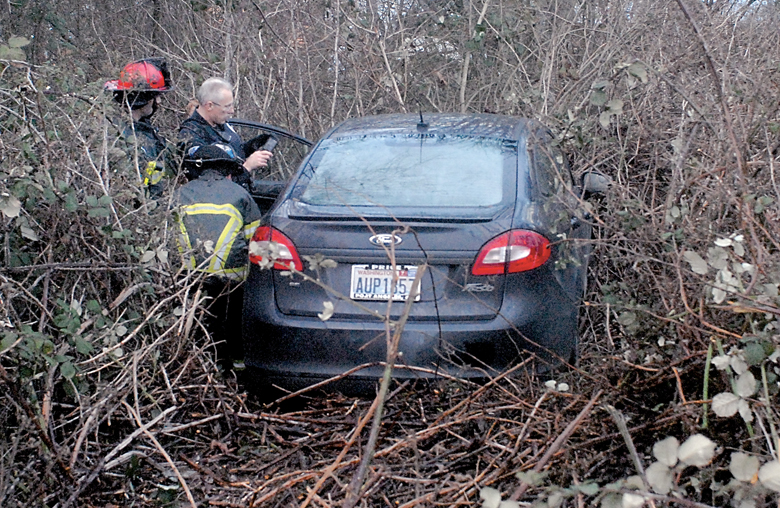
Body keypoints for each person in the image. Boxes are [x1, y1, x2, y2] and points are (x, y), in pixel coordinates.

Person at [174, 144, 263, 370]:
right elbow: (255, 241)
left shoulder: (179, 195)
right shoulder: (240, 195)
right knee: (233, 326)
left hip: (188, 279)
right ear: (229, 172)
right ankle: (237, 370)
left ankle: (198, 366)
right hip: (231, 281)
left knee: (197, 326)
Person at [178, 77, 272, 190]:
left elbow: (234, 153)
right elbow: (214, 187)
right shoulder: (191, 135)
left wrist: (253, 146)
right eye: (227, 106)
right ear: (209, 106)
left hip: (242, 191)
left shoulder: (220, 123)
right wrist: (247, 167)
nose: (232, 111)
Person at [104, 58, 176, 198]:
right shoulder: (118, 136)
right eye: (157, 96)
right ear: (144, 98)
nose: (159, 102)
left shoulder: (145, 130)